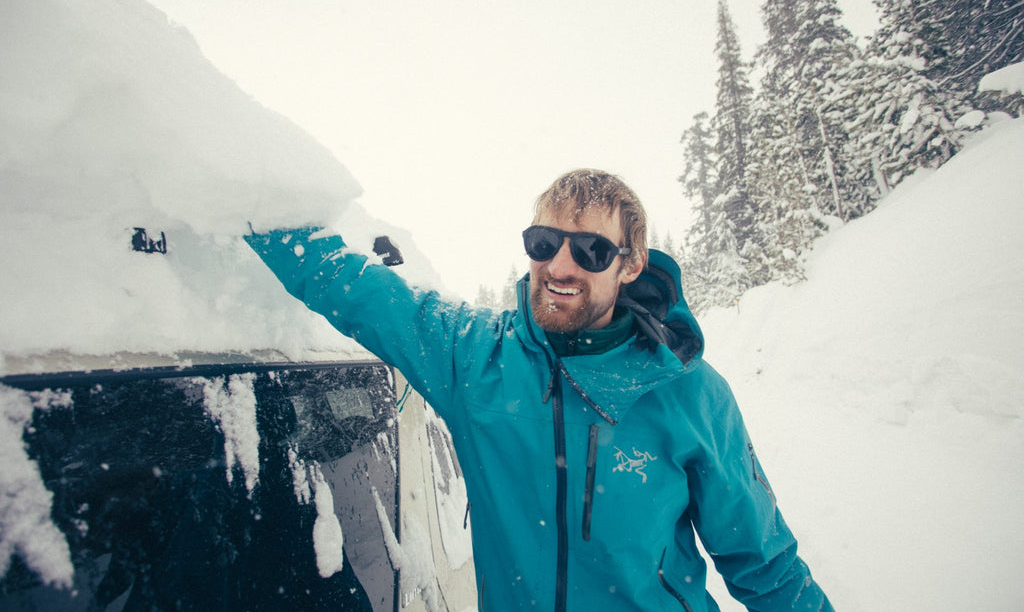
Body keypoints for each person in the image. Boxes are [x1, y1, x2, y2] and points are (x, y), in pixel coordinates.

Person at [245, 169, 833, 611]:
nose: (561, 265)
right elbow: (354, 291)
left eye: (592, 250)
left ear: (631, 265)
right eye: (544, 242)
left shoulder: (690, 394)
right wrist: (237, 200)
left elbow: (766, 567)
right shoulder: (475, 358)